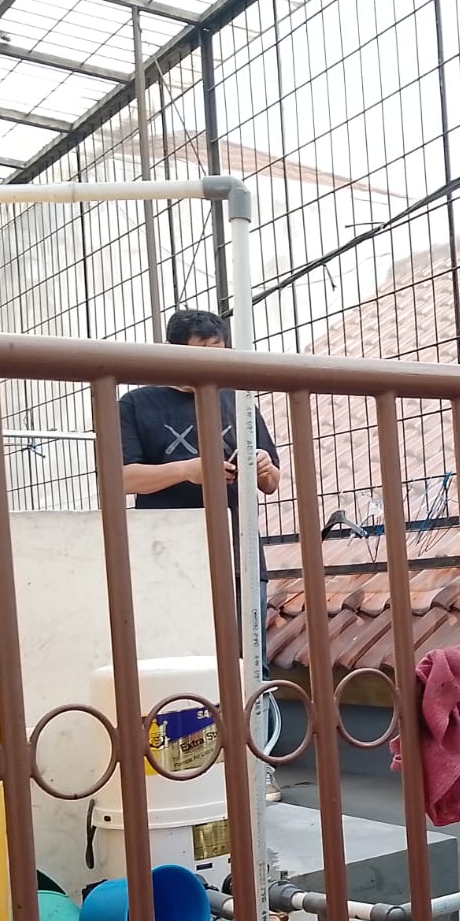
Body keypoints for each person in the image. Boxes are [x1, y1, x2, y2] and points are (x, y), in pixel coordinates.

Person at [118, 307, 285, 802]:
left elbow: (274, 481)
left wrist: (259, 464)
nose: (211, 364)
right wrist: (190, 470)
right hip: (165, 557)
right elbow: (120, 476)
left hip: (238, 551)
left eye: (218, 353)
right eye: (199, 354)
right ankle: (185, 769)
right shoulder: (136, 402)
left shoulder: (240, 399)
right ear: (172, 353)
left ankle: (259, 768)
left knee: (249, 661)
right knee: (175, 659)